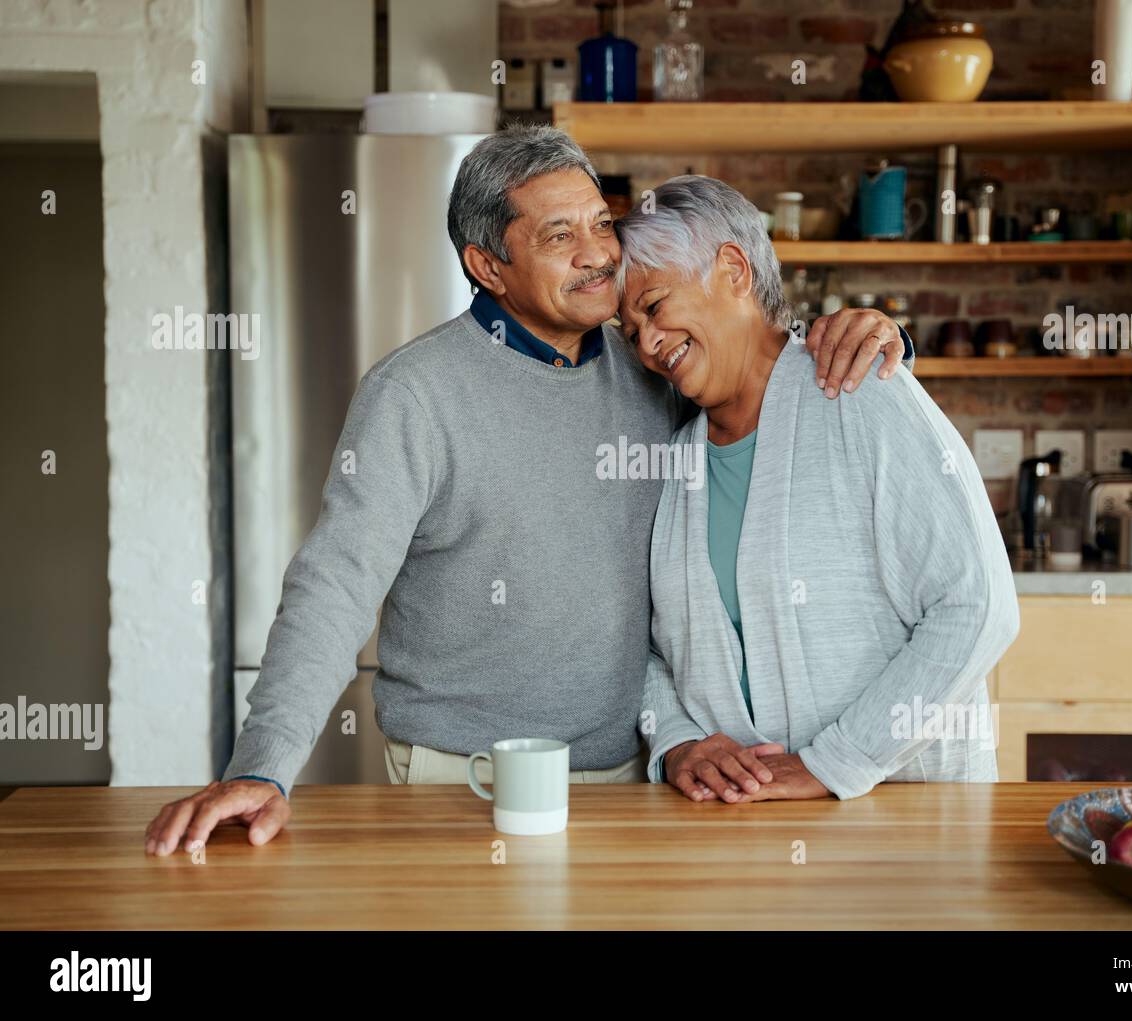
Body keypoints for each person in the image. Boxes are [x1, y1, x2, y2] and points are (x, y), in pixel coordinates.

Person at [143, 126, 912, 855]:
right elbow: (335, 587)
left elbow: (746, 355)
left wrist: (859, 336)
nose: (598, 255)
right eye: (558, 236)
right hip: (457, 781)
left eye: (600, 225)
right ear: (487, 266)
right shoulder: (415, 394)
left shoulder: (653, 372)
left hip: (632, 780)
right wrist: (261, 765)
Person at [615, 175, 1018, 804]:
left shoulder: (861, 391)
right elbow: (650, 647)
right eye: (628, 329)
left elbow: (978, 605)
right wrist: (677, 741)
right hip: (737, 840)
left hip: (903, 825)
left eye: (655, 306)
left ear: (732, 269)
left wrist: (836, 761)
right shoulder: (671, 457)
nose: (645, 342)